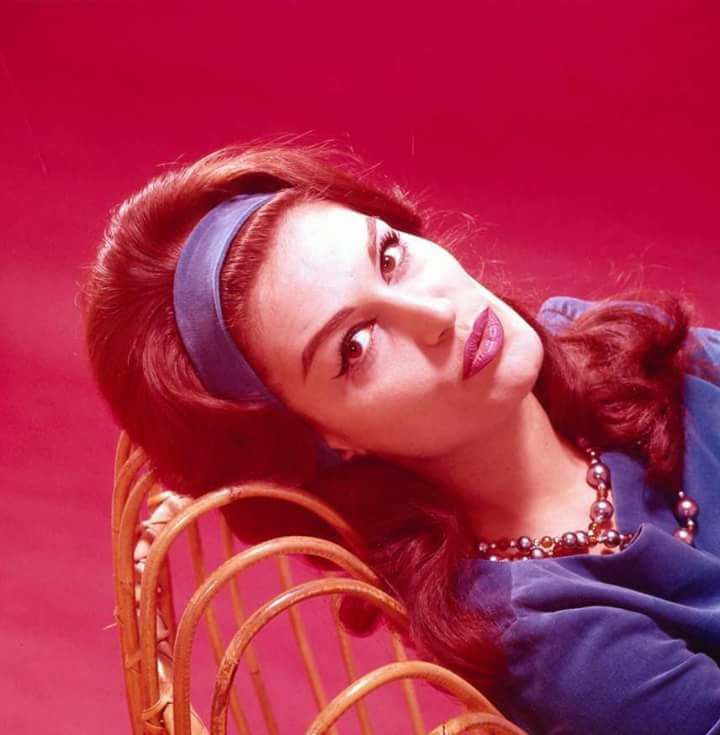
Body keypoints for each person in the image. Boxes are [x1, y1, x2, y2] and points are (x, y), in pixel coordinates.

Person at [80, 139, 720, 734]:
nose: (436, 314)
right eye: (355, 345)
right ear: (322, 439)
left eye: (389, 257)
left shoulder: (615, 347)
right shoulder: (550, 637)